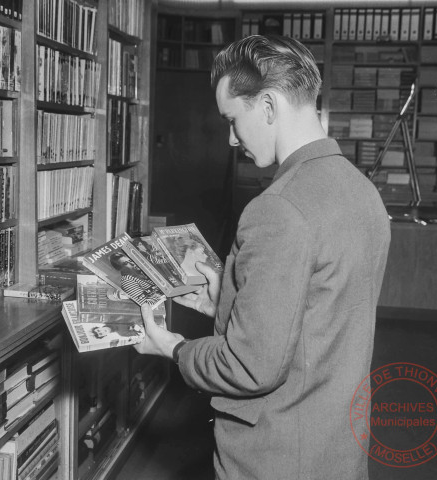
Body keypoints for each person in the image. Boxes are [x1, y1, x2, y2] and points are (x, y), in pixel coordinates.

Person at [134, 35, 391, 480]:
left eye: (233, 120)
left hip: (275, 457)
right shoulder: (361, 191)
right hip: (334, 448)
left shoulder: (277, 209)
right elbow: (319, 319)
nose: (232, 139)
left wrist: (173, 348)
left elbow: (250, 367)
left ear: (269, 107)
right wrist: (228, 304)